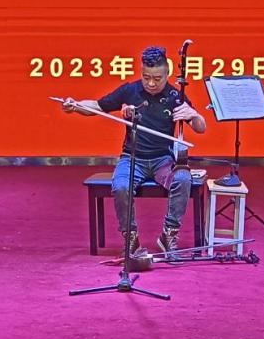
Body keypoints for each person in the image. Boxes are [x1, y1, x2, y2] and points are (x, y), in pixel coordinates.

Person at [61, 46, 206, 260]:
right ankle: (131, 238)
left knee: (183, 179)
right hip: (132, 158)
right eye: (146, 77)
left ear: (167, 74)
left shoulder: (175, 96)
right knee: (121, 186)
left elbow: (200, 127)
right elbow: (97, 106)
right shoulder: (130, 91)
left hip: (163, 160)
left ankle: (168, 235)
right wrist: (74, 105)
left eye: (157, 78)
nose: (151, 83)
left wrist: (193, 114)